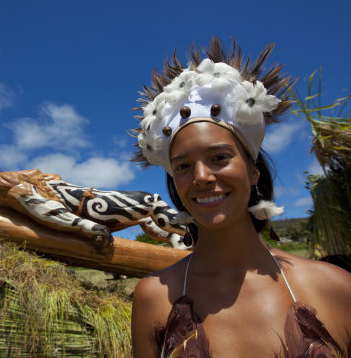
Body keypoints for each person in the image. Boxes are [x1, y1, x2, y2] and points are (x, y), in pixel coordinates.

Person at [130, 37, 351, 357]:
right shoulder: (153, 298)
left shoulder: (335, 287)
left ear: (253, 170)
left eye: (219, 157)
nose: (202, 177)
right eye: (184, 166)